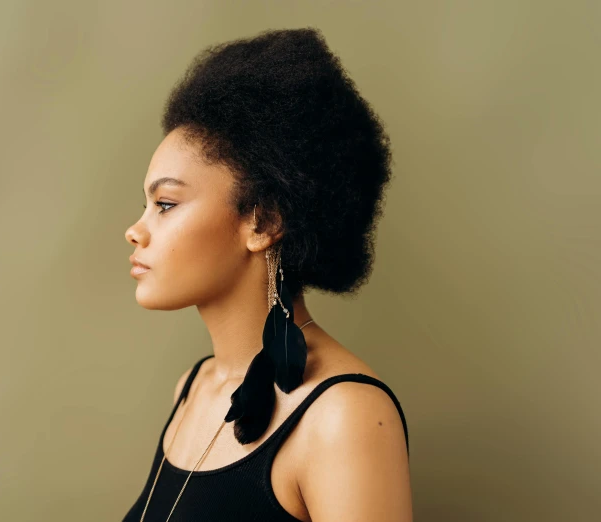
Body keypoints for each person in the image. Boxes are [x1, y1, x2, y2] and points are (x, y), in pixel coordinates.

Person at [123, 27, 412, 522]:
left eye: (166, 204)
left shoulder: (344, 416)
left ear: (265, 221)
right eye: (146, 204)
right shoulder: (192, 389)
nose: (135, 230)